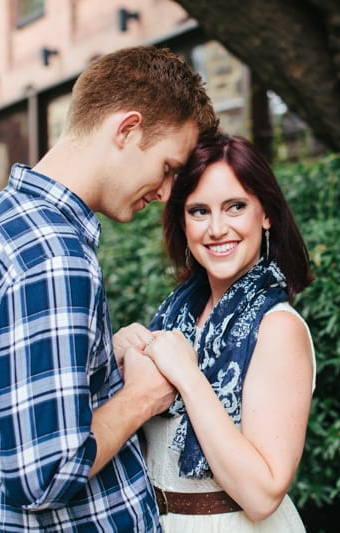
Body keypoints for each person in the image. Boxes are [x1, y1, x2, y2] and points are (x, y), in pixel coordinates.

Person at [0, 45, 218, 532]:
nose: (167, 192)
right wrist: (143, 396)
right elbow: (45, 476)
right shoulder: (52, 256)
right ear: (127, 130)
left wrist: (106, 361)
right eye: (168, 168)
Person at [114, 134, 315, 531]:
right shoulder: (176, 317)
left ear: (266, 214)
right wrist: (119, 359)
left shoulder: (277, 328)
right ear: (182, 222)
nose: (217, 228)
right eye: (199, 211)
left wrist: (187, 376)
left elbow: (262, 495)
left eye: (235, 207)